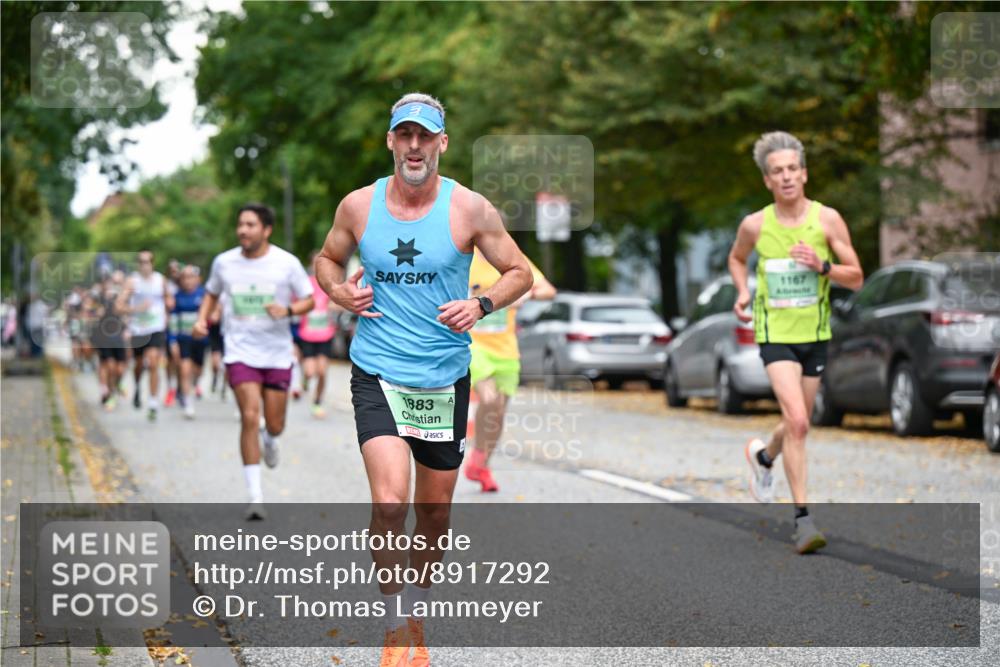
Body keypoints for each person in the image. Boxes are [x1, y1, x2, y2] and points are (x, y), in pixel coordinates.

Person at [315, 92, 533, 667]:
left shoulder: (470, 209)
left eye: (425, 136)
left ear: (442, 143)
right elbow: (327, 259)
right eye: (405, 134)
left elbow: (520, 272)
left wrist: (481, 304)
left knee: (433, 512)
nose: (415, 146)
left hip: (443, 375)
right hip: (378, 368)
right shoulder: (358, 206)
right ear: (391, 140)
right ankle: (395, 629)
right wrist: (338, 292)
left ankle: (416, 612)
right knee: (390, 503)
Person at [728, 131, 863, 554]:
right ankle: (804, 521)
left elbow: (857, 277)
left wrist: (822, 265)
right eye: (777, 171)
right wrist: (742, 291)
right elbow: (736, 258)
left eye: (792, 169)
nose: (786, 177)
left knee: (797, 421)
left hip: (815, 334)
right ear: (767, 180)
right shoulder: (755, 225)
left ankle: (764, 457)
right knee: (799, 422)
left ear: (804, 174)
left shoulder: (827, 220)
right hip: (775, 334)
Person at [193, 203, 314, 520]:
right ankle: (255, 496)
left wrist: (288, 311)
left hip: (276, 353)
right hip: (240, 351)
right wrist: (202, 319)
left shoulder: (286, 263)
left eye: (250, 225)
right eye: (240, 225)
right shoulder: (224, 263)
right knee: (249, 416)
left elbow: (309, 300)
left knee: (274, 424)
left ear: (266, 230)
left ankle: (270, 440)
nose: (243, 230)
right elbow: (211, 293)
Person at [463, 248, 555, 492]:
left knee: (498, 413)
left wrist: (525, 296)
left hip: (506, 349)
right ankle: (477, 458)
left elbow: (548, 290)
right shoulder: (463, 255)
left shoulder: (511, 258)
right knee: (489, 398)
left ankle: (481, 463)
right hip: (473, 343)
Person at [117, 250, 173, 421]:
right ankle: (137, 385)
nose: (144, 265)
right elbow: (119, 306)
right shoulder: (132, 281)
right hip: (138, 329)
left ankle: (153, 403)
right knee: (139, 364)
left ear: (152, 263)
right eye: (141, 262)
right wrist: (136, 309)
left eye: (147, 261)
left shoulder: (160, 280)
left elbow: (169, 299)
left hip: (156, 327)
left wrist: (169, 305)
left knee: (153, 362)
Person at [297, 250, 337, 418]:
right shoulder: (305, 283)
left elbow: (339, 302)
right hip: (307, 335)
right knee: (310, 372)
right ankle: (305, 379)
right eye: (315, 263)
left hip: (325, 334)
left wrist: (331, 307)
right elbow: (297, 303)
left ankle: (317, 402)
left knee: (322, 371)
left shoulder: (330, 283)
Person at [172, 265, 208, 419]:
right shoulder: (177, 296)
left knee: (198, 370)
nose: (187, 280)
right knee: (185, 369)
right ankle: (188, 403)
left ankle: (194, 384)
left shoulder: (204, 295)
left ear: (197, 279)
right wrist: (172, 341)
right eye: (184, 277)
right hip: (184, 339)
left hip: (200, 339)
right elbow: (173, 320)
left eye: (190, 277)